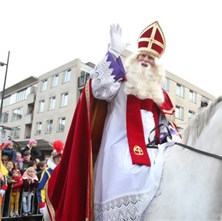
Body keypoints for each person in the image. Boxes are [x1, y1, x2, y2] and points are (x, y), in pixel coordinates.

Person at [46, 21, 181, 221]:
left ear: (157, 65)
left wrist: (175, 141)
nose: (145, 59)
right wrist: (113, 53)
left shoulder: (160, 94)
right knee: (133, 174)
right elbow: (98, 88)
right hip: (118, 148)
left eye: (151, 57)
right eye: (142, 55)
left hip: (151, 150)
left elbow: (167, 127)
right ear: (135, 58)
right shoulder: (120, 81)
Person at [37, 140, 64, 215]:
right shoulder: (47, 171)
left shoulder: (66, 170)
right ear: (53, 158)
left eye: (60, 157)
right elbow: (41, 188)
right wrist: (41, 204)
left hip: (62, 203)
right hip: (50, 204)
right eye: (57, 157)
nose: (59, 159)